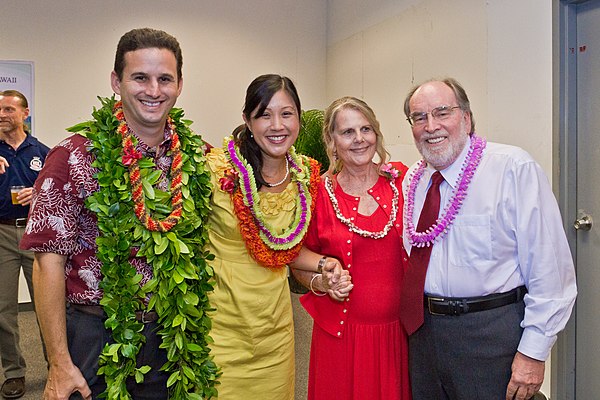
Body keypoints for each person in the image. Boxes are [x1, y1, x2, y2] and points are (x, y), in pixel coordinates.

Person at [20, 28, 216, 400]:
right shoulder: (73, 156)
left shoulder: (197, 158)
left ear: (180, 85)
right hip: (94, 334)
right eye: (140, 77)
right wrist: (59, 363)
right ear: (116, 81)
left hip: (169, 336)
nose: (153, 90)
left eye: (165, 79)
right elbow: (47, 264)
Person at [399, 78, 577, 400]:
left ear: (466, 118)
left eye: (442, 112)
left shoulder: (512, 169)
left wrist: (533, 353)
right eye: (419, 117)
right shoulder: (413, 180)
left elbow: (551, 271)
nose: (431, 126)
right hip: (423, 337)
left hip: (490, 337)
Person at [204, 74, 348, 399]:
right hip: (219, 333)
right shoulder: (215, 171)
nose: (276, 125)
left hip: (275, 335)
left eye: (286, 114)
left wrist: (326, 264)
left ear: (298, 118)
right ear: (247, 120)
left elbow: (286, 249)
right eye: (264, 114)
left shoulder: (306, 178)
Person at [290, 96, 412, 400]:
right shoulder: (317, 193)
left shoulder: (402, 180)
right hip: (341, 338)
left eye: (366, 129)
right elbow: (297, 259)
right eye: (347, 132)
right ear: (331, 141)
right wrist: (321, 281)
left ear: (376, 133)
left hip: (398, 337)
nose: (359, 139)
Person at [0, 90, 49, 399]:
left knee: (47, 306)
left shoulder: (42, 151)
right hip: (2, 234)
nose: (2, 114)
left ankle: (56, 365)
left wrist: (39, 193)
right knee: (3, 310)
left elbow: (60, 194)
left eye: (8, 109)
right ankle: (14, 373)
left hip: (35, 235)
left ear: (24, 112)